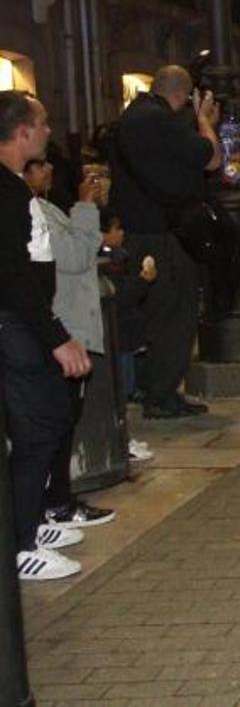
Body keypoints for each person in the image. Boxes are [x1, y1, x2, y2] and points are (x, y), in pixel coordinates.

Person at [0, 91, 93, 581]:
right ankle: (20, 545)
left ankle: (36, 519)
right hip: (17, 327)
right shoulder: (6, 193)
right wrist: (54, 336)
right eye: (43, 122)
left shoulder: (16, 188)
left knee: (51, 418)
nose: (49, 130)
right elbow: (13, 274)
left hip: (28, 323)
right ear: (22, 131)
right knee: (36, 428)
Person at [108, 64, 220, 419]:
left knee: (147, 312)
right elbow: (212, 158)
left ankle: (148, 387)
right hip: (162, 233)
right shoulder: (159, 121)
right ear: (184, 95)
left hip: (137, 230)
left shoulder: (133, 117)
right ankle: (162, 394)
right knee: (175, 313)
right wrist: (205, 121)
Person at [22, 158, 118, 532]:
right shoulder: (33, 212)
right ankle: (54, 504)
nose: (46, 171)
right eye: (37, 165)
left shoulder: (43, 207)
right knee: (55, 423)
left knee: (64, 419)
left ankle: (56, 501)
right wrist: (86, 206)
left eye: (48, 164)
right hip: (60, 329)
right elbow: (73, 257)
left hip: (66, 327)